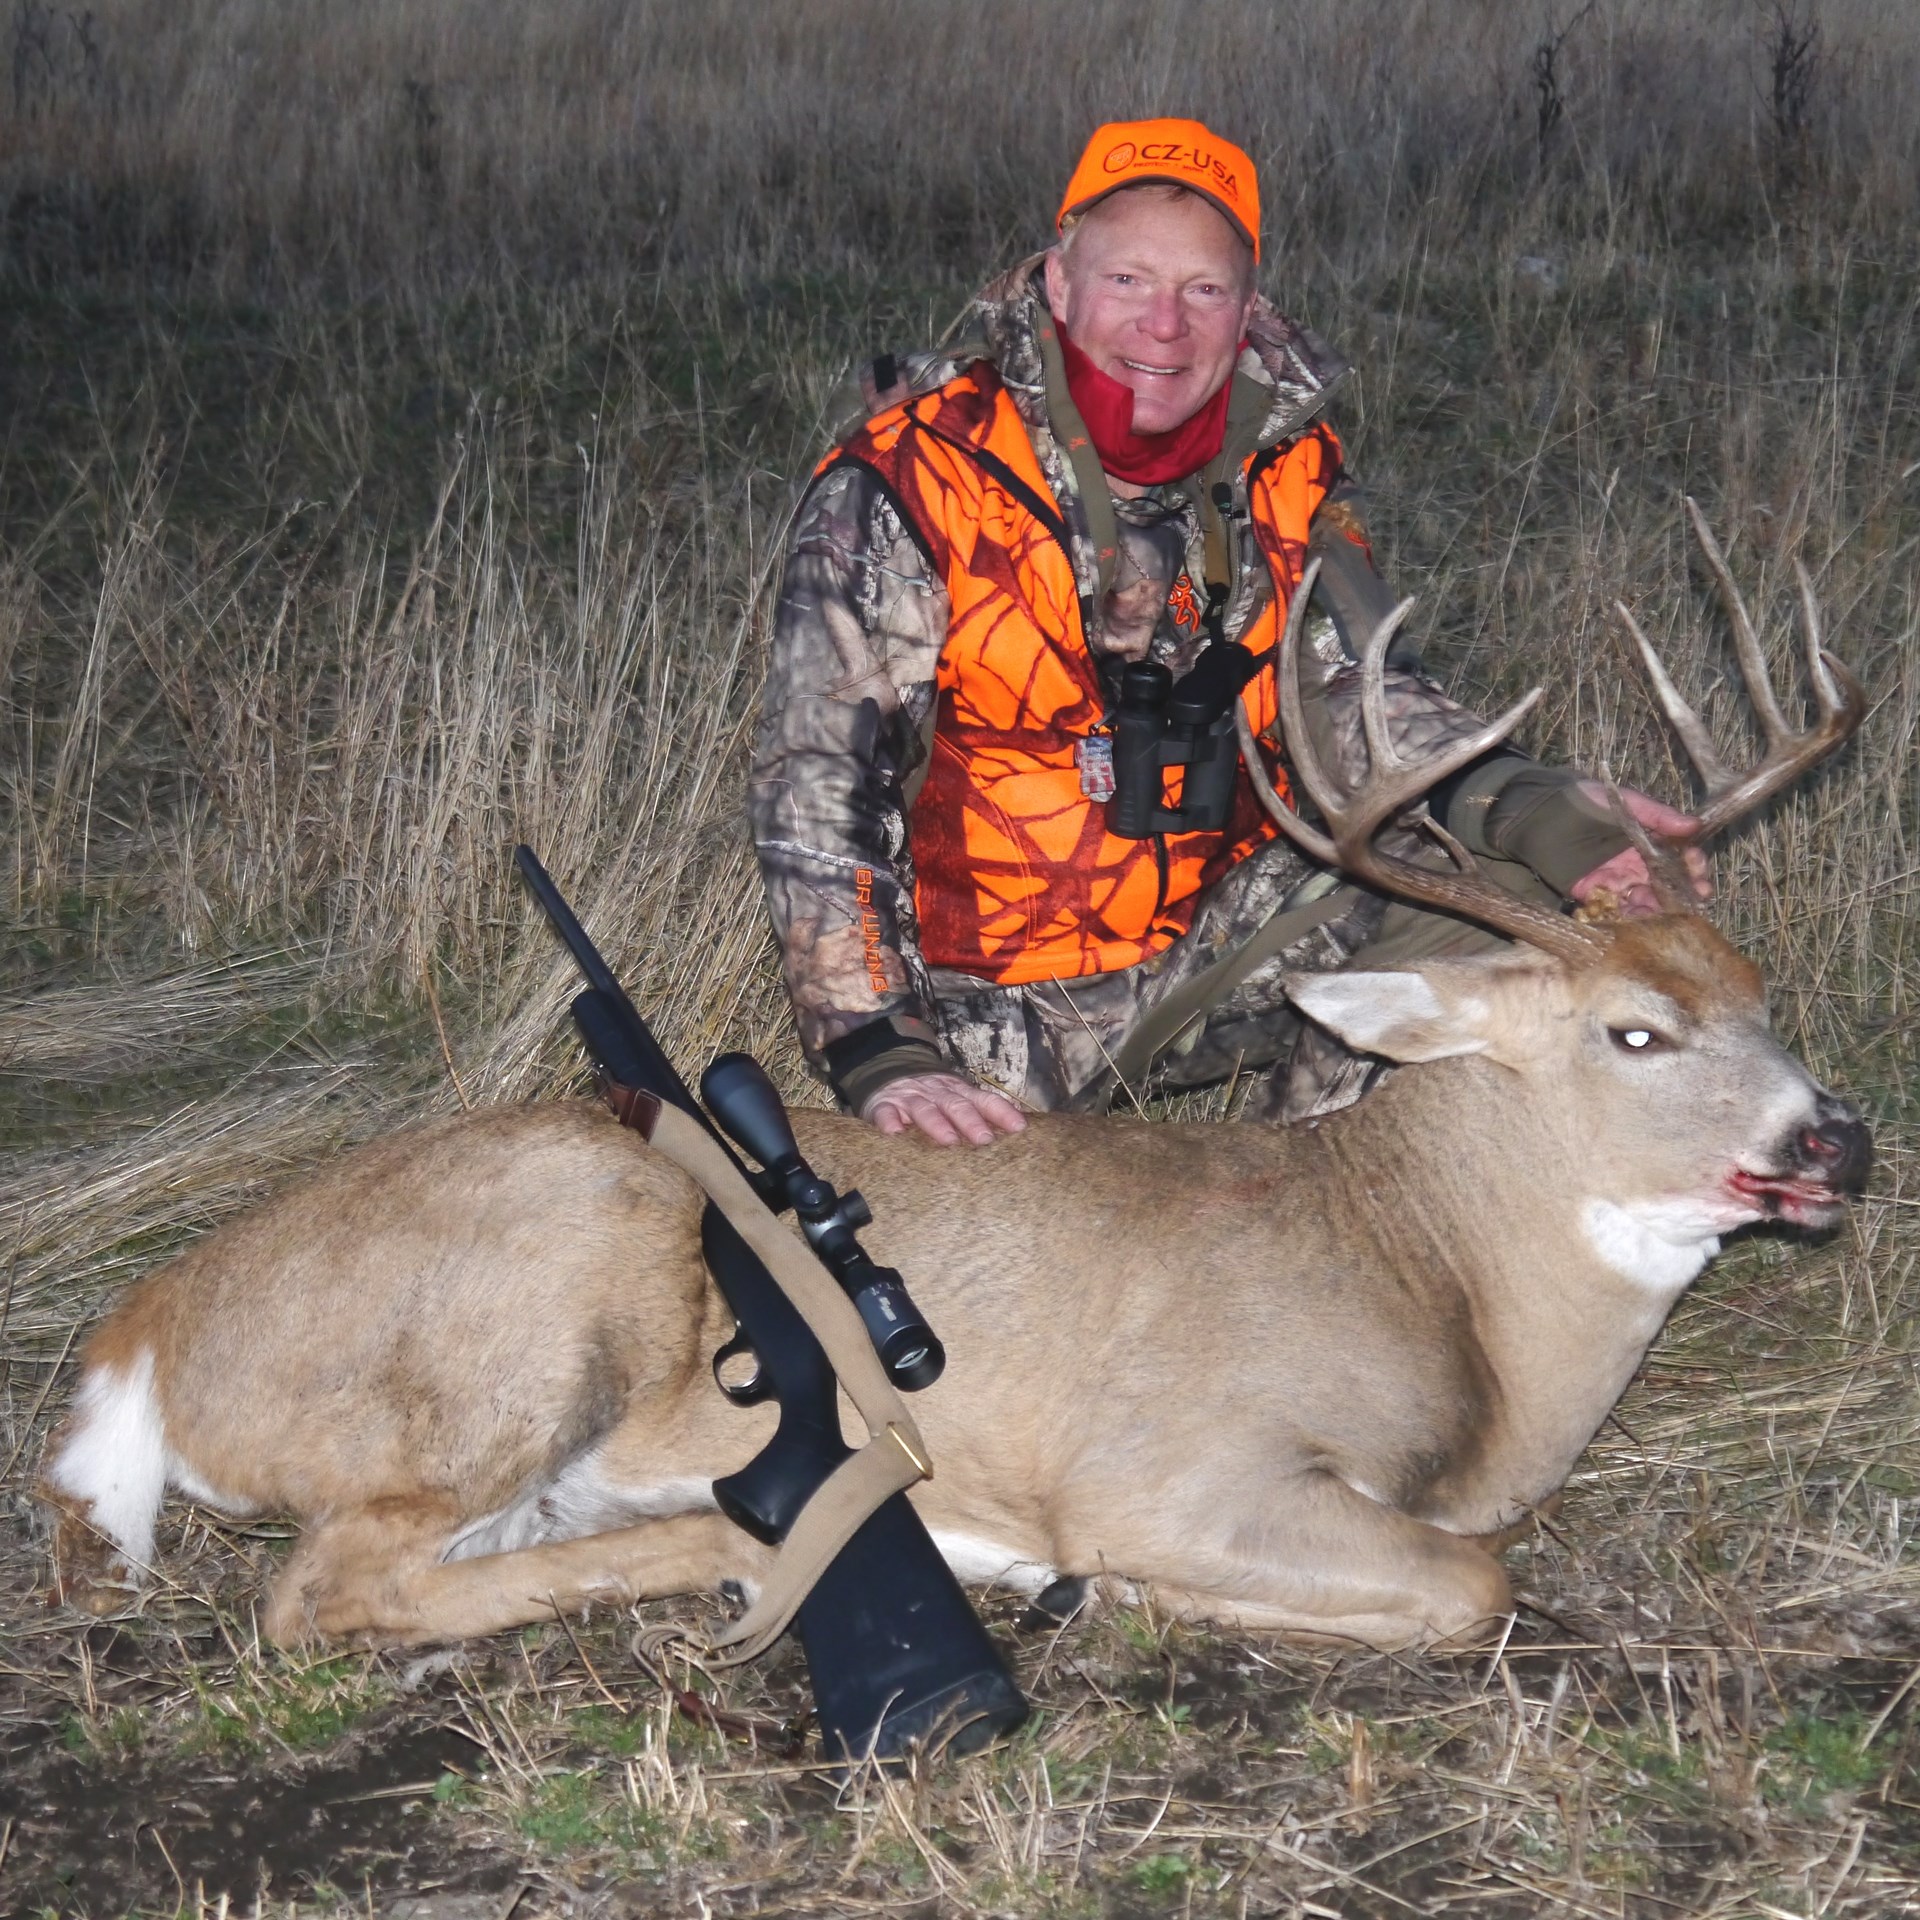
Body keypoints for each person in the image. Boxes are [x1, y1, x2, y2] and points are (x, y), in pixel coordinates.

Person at [750, 118, 1701, 1146]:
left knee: (1506, 896)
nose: (1164, 325)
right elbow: (821, 788)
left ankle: (1316, 1180)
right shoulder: (909, 479)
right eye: (1127, 282)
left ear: (1246, 311)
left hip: (1213, 942)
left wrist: (1533, 807)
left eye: (1203, 291)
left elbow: (1353, 696)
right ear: (1059, 286)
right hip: (992, 1013)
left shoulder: (1289, 465)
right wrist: (885, 1052)